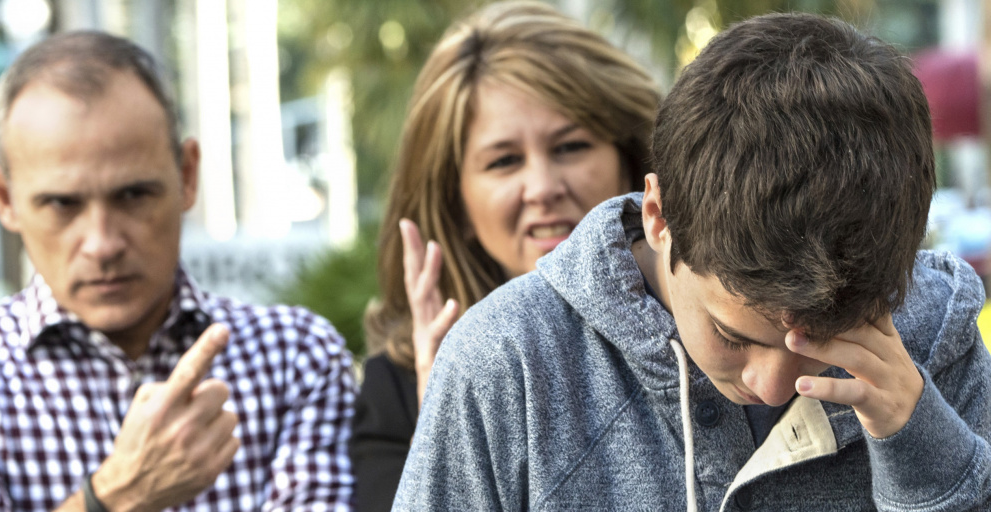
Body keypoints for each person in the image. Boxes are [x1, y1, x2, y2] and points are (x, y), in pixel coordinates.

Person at [394, 12, 991, 511]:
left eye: (829, 336)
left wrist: (923, 453)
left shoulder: (936, 338)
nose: (777, 382)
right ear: (659, 216)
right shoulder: (505, 365)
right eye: (733, 334)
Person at [0, 31, 356, 511]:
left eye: (133, 195)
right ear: (3, 198)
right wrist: (118, 494)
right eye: (62, 204)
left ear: (187, 175)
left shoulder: (296, 359)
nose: (103, 243)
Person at [349, 2, 661, 509]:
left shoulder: (718, 341)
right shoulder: (398, 387)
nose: (542, 187)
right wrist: (451, 427)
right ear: (457, 203)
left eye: (571, 147)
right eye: (504, 161)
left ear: (632, 164)